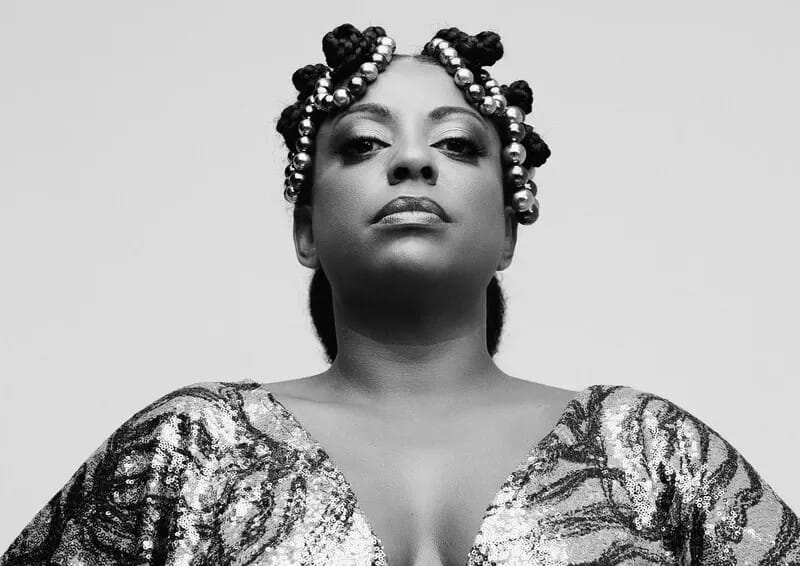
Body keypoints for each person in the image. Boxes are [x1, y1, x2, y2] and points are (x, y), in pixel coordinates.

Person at [2, 22, 798, 566]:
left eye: (455, 143)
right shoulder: (191, 448)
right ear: (306, 230)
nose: (412, 162)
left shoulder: (648, 451)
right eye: (363, 143)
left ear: (509, 231)